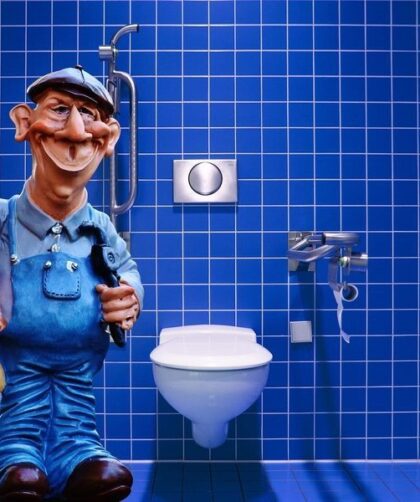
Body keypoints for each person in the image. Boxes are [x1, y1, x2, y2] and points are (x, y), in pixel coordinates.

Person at [0, 66, 143, 501]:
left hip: (79, 377)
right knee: (20, 425)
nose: (77, 131)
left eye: (89, 115)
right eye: (60, 110)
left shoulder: (101, 229)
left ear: (108, 138)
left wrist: (130, 297)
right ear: (25, 123)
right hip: (15, 373)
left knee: (77, 419)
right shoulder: (3, 219)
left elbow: (128, 268)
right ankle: (16, 459)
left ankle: (79, 456)